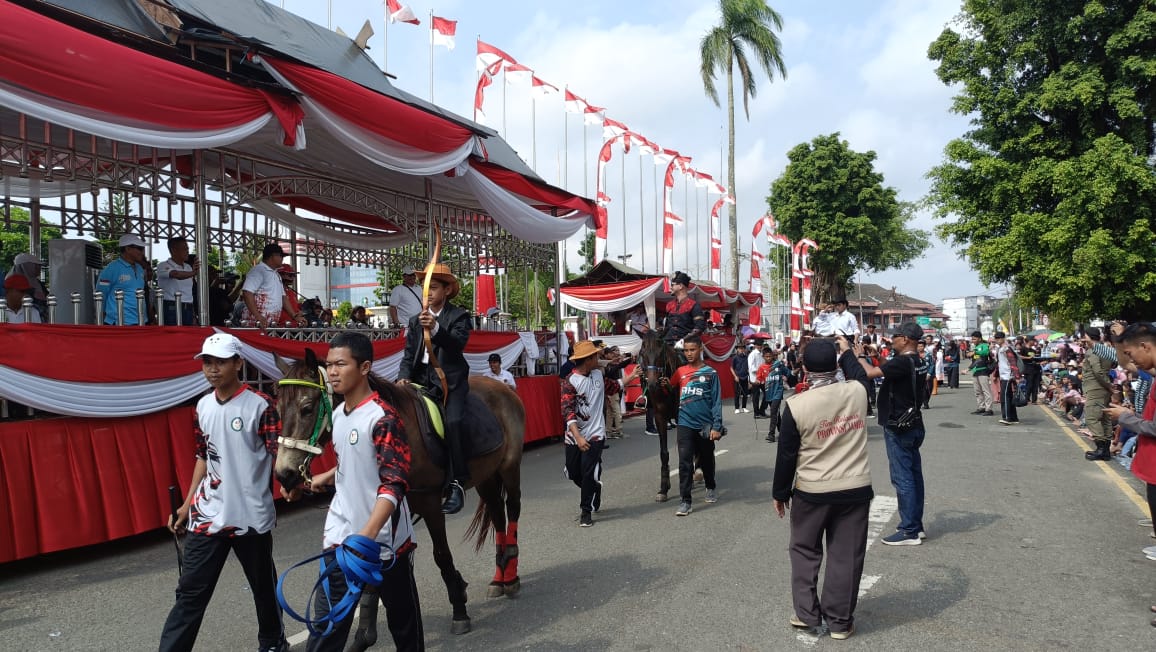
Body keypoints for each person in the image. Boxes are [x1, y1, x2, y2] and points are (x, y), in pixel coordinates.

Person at [279, 332, 424, 652]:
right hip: (340, 539)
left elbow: (394, 482)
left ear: (364, 368)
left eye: (340, 364)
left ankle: (453, 476)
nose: (332, 371)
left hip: (384, 546)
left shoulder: (383, 417)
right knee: (327, 631)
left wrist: (367, 534)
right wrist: (323, 478)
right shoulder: (339, 414)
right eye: (329, 365)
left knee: (405, 631)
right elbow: (354, 460)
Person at [159, 333, 287, 652]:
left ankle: (272, 643)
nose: (213, 369)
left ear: (238, 363)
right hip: (208, 515)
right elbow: (204, 456)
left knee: (263, 588)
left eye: (220, 362)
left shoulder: (262, 406)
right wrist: (187, 504)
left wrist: (291, 484)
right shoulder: (202, 406)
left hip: (250, 516)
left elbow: (278, 455)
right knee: (190, 593)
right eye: (207, 362)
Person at [773, 337, 873, 640]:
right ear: (835, 364)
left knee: (804, 551)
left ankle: (807, 614)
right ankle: (840, 622)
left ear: (803, 368)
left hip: (811, 490)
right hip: (855, 488)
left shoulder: (795, 405)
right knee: (846, 555)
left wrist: (780, 494)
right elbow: (858, 372)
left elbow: (787, 455)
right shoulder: (857, 391)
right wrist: (845, 353)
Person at [397, 263, 471, 515]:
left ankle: (457, 482)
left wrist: (437, 329)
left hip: (451, 381)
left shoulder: (458, 316)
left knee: (453, 421)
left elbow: (456, 346)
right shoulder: (414, 321)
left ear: (447, 290)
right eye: (424, 287)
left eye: (434, 287)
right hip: (421, 381)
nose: (427, 292)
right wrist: (403, 377)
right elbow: (408, 356)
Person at [857, 321, 928, 546]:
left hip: (898, 427)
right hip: (913, 425)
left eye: (895, 336)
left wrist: (858, 356)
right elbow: (890, 370)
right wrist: (877, 356)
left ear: (905, 339)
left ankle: (909, 530)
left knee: (902, 478)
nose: (892, 339)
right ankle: (916, 525)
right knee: (914, 476)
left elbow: (870, 374)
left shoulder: (903, 362)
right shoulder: (917, 361)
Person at [667, 334, 723, 516]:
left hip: (705, 425)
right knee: (684, 462)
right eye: (686, 350)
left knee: (706, 458)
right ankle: (685, 500)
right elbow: (669, 387)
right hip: (684, 423)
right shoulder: (680, 371)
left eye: (692, 350)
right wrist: (661, 385)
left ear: (700, 350)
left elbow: (716, 401)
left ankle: (711, 486)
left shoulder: (711, 373)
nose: (689, 353)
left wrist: (717, 426)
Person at [561, 340, 607, 527]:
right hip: (574, 435)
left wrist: (631, 377)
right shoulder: (569, 382)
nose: (598, 358)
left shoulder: (598, 374)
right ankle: (594, 488)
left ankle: (585, 511)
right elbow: (568, 411)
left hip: (596, 434)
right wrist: (578, 437)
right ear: (587, 359)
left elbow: (613, 386)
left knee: (588, 472)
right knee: (573, 473)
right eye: (595, 356)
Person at [241, 244, 304, 329]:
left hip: (270, 324)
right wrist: (258, 316)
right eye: (281, 256)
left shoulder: (276, 274)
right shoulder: (258, 270)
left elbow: (283, 297)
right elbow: (247, 292)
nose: (282, 259)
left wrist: (295, 316)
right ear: (272, 256)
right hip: (255, 323)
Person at [96, 233, 150, 325]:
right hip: (118, 322)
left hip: (140, 321)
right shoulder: (111, 268)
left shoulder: (140, 268)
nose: (142, 252)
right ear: (127, 249)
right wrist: (103, 316)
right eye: (140, 248)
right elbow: (101, 294)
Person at [1082, 326, 1117, 461]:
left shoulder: (1093, 351)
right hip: (1104, 388)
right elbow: (1112, 365)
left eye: (1085, 336)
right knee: (1104, 417)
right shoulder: (1106, 350)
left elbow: (1097, 371)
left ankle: (1101, 448)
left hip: (1096, 388)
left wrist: (1108, 385)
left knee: (1091, 417)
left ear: (1089, 337)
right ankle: (1105, 449)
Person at [156, 237, 199, 326]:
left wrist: (194, 314)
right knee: (173, 336)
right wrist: (193, 273)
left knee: (188, 336)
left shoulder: (188, 267)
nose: (187, 251)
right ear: (173, 250)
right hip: (171, 307)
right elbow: (176, 275)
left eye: (187, 248)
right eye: (184, 248)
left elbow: (188, 292)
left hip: (188, 307)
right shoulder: (163, 265)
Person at [661, 271, 706, 347]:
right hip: (667, 344)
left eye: (672, 285)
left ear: (681, 286)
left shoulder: (694, 305)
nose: (670, 287)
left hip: (686, 347)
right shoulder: (669, 305)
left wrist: (683, 341)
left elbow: (699, 327)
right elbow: (667, 327)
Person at [758, 348, 790, 443]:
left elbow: (787, 372)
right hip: (768, 394)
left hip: (778, 392)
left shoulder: (778, 364)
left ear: (772, 356)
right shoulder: (762, 367)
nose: (768, 358)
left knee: (773, 412)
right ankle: (783, 432)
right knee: (776, 414)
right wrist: (755, 383)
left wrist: (785, 377)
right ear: (763, 357)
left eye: (770, 356)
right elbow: (759, 379)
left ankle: (771, 434)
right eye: (766, 356)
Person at [5, 252, 48, 321]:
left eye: (27, 291)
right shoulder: (11, 280)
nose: (40, 268)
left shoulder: (39, 284)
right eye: (37, 265)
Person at [993, 332, 1023, 425]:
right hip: (1003, 376)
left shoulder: (1006, 349)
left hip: (1008, 376)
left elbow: (1013, 363)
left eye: (999, 338)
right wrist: (996, 375)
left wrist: (1017, 376)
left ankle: (1007, 418)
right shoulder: (1000, 349)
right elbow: (999, 364)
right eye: (996, 338)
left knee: (1004, 397)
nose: (997, 340)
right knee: (1009, 397)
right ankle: (1014, 418)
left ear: (1003, 338)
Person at [968, 330, 995, 416]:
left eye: (974, 339)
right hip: (975, 371)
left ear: (979, 339)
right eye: (972, 339)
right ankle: (981, 407)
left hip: (983, 371)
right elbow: (974, 359)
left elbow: (985, 353)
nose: (973, 341)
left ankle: (989, 409)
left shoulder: (984, 345)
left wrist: (974, 352)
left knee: (986, 391)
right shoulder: (974, 347)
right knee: (977, 391)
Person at [730, 344, 750, 414]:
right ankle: (737, 408)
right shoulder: (735, 358)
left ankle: (744, 407)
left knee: (745, 393)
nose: (741, 349)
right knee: (737, 393)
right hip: (738, 377)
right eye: (739, 348)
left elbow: (748, 367)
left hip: (745, 377)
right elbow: (731, 368)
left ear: (744, 349)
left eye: (742, 348)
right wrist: (735, 376)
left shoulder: (747, 357)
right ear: (737, 349)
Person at [748, 343, 766, 417]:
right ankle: (756, 413)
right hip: (755, 378)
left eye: (761, 345)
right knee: (756, 396)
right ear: (755, 346)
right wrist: (760, 370)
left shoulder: (762, 354)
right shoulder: (752, 354)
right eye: (758, 345)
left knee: (767, 393)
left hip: (762, 377)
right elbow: (751, 367)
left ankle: (761, 410)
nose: (760, 346)